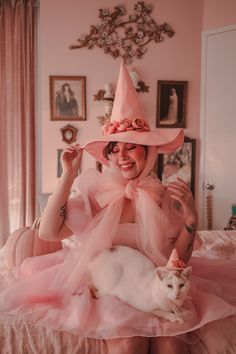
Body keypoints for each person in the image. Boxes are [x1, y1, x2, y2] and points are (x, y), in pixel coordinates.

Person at [0, 63, 235, 354]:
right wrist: (69, 175)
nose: (121, 156)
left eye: (131, 146)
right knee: (129, 343)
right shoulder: (97, 192)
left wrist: (191, 219)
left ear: (148, 151)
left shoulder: (164, 195)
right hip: (110, 287)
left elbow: (179, 260)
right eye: (115, 148)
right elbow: (48, 232)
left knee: (172, 344)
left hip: (155, 287)